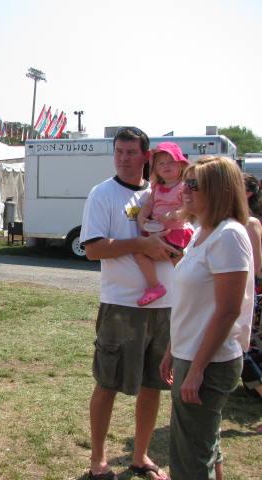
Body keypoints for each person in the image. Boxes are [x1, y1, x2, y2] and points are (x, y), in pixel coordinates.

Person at [80, 126, 178, 480]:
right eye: (119, 151)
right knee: (107, 383)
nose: (123, 158)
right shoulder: (102, 194)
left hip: (165, 307)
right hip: (122, 305)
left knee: (155, 384)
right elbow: (92, 249)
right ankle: (98, 461)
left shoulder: (162, 193)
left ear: (146, 156)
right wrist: (140, 245)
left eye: (131, 152)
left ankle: (140, 456)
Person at [159, 156, 254, 480]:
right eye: (185, 181)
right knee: (205, 445)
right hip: (191, 353)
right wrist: (174, 348)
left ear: (218, 189)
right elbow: (193, 302)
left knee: (189, 461)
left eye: (193, 184)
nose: (184, 189)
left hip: (209, 361)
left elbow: (228, 310)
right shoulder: (203, 231)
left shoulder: (228, 235)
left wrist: (197, 369)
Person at [134, 143, 194, 306]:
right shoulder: (156, 188)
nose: (166, 166)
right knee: (139, 253)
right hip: (157, 232)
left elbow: (189, 209)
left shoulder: (183, 187)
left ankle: (188, 291)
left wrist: (173, 214)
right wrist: (141, 218)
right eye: (161, 163)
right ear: (156, 169)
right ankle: (155, 286)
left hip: (176, 232)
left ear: (181, 165)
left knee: (179, 262)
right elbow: (148, 205)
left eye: (171, 162)